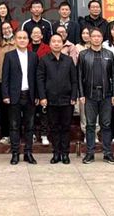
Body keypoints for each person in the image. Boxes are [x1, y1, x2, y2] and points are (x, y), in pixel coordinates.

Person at [78, 27, 114, 164]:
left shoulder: (109, 54)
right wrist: (81, 94)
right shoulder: (83, 55)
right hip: (89, 95)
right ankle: (90, 153)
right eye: (93, 36)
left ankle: (108, 153)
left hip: (106, 94)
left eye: (99, 36)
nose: (96, 38)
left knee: (106, 124)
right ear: (89, 38)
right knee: (90, 125)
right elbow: (79, 76)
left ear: (102, 38)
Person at [38, 33, 78, 164]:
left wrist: (73, 96)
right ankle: (56, 153)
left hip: (67, 100)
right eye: (53, 41)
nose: (56, 44)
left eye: (59, 41)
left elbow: (74, 80)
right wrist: (42, 97)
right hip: (50, 100)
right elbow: (40, 80)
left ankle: (65, 154)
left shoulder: (68, 60)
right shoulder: (44, 60)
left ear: (62, 44)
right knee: (54, 128)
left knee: (66, 128)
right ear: (49, 44)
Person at [1, 30, 38, 165]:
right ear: (15, 40)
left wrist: (37, 95)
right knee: (14, 126)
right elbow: (5, 77)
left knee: (30, 126)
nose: (22, 40)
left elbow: (37, 77)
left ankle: (28, 153)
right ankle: (15, 153)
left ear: (28, 40)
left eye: (24, 38)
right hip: (14, 95)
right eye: (19, 38)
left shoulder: (33, 56)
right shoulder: (9, 56)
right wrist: (5, 95)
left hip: (29, 95)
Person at [0, 21, 16, 145]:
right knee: (4, 110)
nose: (6, 30)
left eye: (8, 28)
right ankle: (5, 134)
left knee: (16, 110)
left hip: (16, 82)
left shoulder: (17, 43)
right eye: (4, 29)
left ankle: (16, 134)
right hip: (2, 81)